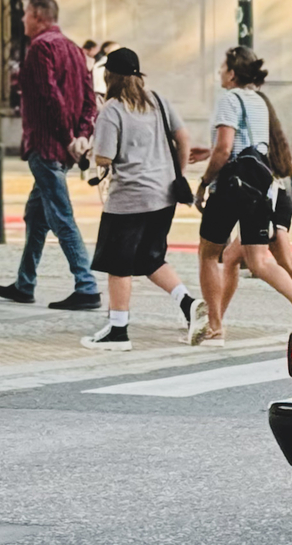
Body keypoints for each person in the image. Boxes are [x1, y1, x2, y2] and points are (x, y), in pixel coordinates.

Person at [79, 47, 202, 346]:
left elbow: (105, 157)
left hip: (129, 201)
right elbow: (183, 138)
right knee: (150, 258)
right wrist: (178, 173)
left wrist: (84, 152)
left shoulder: (112, 109)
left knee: (117, 264)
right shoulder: (157, 100)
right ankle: (190, 304)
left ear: (109, 76)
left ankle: (118, 330)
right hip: (164, 195)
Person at [0, 0, 102, 310]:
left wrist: (68, 137)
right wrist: (81, 136)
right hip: (65, 148)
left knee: (60, 215)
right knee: (36, 215)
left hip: (47, 145)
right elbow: (89, 101)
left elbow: (48, 97)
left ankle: (86, 285)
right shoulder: (73, 48)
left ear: (39, 15)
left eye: (26, 14)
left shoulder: (40, 48)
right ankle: (25, 282)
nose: (23, 19)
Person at [193, 46, 292, 344]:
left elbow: (226, 148)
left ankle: (215, 325)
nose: (219, 72)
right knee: (259, 259)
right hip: (259, 184)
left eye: (222, 68)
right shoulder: (258, 101)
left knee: (208, 253)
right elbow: (252, 145)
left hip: (231, 185)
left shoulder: (228, 99)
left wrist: (205, 181)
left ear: (232, 73)